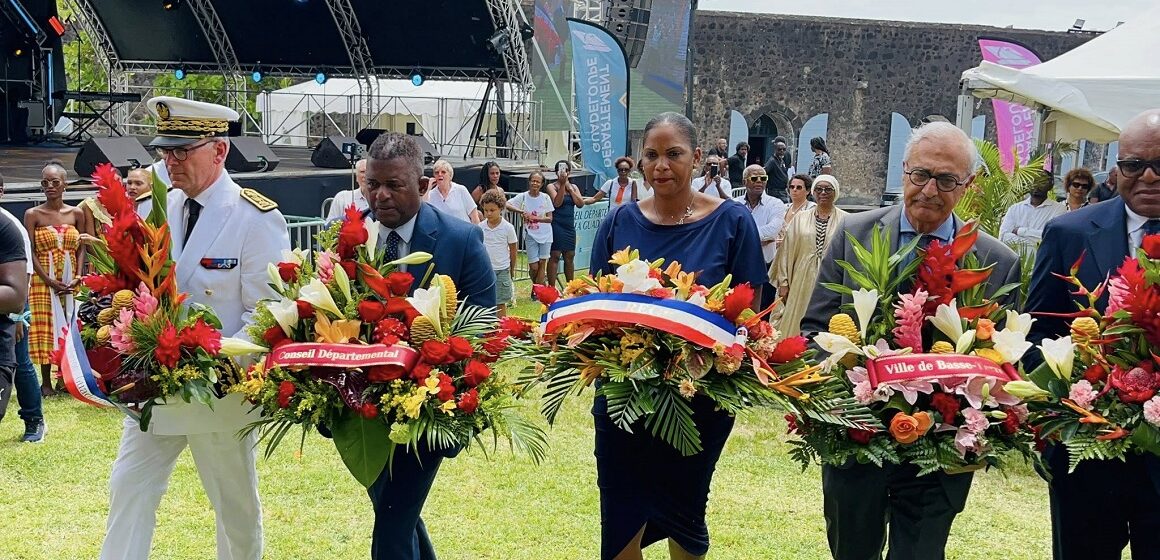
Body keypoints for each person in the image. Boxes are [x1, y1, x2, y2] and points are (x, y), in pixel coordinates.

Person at [802, 121, 1019, 560]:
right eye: (920, 175)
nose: (930, 190)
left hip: (941, 452)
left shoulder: (997, 262)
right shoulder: (854, 235)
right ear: (903, 172)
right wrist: (843, 382)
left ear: (969, 184)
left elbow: (1002, 364)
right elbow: (814, 331)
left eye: (946, 180)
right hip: (857, 438)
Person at [101, 97, 290, 560]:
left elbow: (267, 311)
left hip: (220, 392)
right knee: (128, 488)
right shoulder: (153, 210)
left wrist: (209, 364)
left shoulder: (255, 217)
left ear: (219, 151)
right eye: (167, 150)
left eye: (184, 150)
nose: (171, 160)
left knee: (233, 505)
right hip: (154, 390)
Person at [589, 112, 766, 560]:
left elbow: (749, 315)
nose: (661, 165)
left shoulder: (733, 221)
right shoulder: (617, 223)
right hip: (622, 399)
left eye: (674, 154)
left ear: (698, 158)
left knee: (686, 511)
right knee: (620, 509)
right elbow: (592, 309)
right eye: (651, 155)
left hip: (699, 400)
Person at [1026, 108, 1160, 560]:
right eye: (1134, 165)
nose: (1147, 177)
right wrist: (1060, 410)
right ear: (1116, 167)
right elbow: (1038, 330)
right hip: (1085, 450)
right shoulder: (1069, 232)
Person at [362, 131, 495, 560]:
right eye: (373, 183)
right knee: (395, 512)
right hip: (362, 410)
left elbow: (484, 327)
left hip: (430, 409)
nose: (380, 195)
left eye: (393, 185)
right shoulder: (349, 237)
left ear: (422, 186)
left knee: (393, 520)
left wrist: (441, 385)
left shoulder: (460, 239)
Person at [23, 161, 84, 396]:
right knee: (45, 328)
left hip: (70, 278)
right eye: (45, 182)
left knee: (70, 325)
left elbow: (82, 248)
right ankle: (46, 383)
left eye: (55, 182)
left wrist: (78, 276)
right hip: (42, 279)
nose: (50, 186)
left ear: (65, 185)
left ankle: (65, 379)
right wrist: (47, 280)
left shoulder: (76, 213)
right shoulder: (33, 214)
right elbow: (30, 251)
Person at [770, 174, 846, 339]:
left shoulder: (846, 220)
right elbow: (787, 251)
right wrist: (783, 282)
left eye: (828, 189)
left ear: (836, 192)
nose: (823, 193)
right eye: (819, 189)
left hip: (831, 279)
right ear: (813, 192)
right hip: (801, 279)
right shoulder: (800, 218)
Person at [0, 171, 40, 442]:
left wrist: (16, 318)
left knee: (23, 363)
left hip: (13, 313)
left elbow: (22, 280)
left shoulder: (9, 226)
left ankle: (34, 419)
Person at [735, 164, 785, 311]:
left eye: (763, 178)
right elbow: (730, 232)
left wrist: (743, 237)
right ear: (745, 182)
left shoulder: (775, 204)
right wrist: (761, 240)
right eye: (754, 178)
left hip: (765, 266)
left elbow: (772, 231)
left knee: (762, 312)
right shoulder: (735, 204)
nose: (759, 181)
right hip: (739, 265)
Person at [506, 171, 554, 287]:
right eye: (533, 181)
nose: (535, 184)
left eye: (538, 182)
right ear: (529, 182)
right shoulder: (523, 196)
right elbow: (507, 204)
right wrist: (521, 211)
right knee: (534, 266)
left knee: (542, 263)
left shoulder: (546, 198)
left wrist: (535, 218)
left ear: (541, 184)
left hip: (545, 234)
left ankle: (537, 290)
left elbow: (549, 218)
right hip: (530, 234)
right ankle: (539, 285)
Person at [999, 168, 1064, 251]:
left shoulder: (1059, 209)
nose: (1036, 185)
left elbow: (1051, 239)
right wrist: (1036, 242)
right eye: (1033, 180)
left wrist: (1019, 231)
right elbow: (1003, 237)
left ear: (1050, 186)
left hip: (1041, 262)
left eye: (1042, 182)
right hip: (1015, 261)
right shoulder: (1014, 209)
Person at [546, 160, 585, 289]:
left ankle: (570, 286)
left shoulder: (574, 187)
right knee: (555, 255)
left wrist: (570, 189)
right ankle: (552, 287)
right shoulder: (552, 186)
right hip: (557, 224)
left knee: (570, 255)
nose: (564, 172)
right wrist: (562, 185)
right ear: (556, 172)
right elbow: (557, 203)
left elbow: (580, 204)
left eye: (566, 170)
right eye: (561, 170)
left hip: (569, 226)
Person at [478, 190, 517, 316]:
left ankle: (501, 328)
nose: (488, 213)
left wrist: (512, 268)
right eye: (486, 210)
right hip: (485, 270)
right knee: (485, 301)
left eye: (492, 210)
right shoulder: (480, 227)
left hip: (502, 269)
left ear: (500, 208)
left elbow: (513, 249)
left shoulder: (508, 228)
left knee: (500, 302)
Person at [424, 160, 480, 224]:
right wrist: (428, 188)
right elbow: (424, 214)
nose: (440, 174)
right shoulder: (430, 194)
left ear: (450, 176)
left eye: (443, 172)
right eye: (436, 173)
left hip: (463, 232)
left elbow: (474, 216)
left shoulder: (461, 190)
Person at [777, 174, 816, 249]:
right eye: (792, 187)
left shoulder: (812, 209)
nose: (794, 189)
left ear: (807, 191)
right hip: (780, 254)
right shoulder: (783, 208)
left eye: (799, 187)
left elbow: (811, 235)